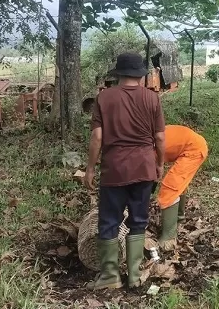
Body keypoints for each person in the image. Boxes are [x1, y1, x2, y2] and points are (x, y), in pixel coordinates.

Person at [84, 52, 166, 290]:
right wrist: (159, 163)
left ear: (118, 74)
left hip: (114, 171)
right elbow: (160, 138)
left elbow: (97, 137)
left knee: (109, 221)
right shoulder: (152, 99)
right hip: (143, 168)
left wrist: (90, 168)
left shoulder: (104, 98)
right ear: (140, 76)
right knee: (138, 221)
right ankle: (133, 275)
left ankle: (109, 276)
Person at [156, 124, 209, 250]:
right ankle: (178, 219)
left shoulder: (143, 146)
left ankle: (169, 237)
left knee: (170, 186)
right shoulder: (140, 142)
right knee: (177, 183)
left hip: (194, 149)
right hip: (190, 144)